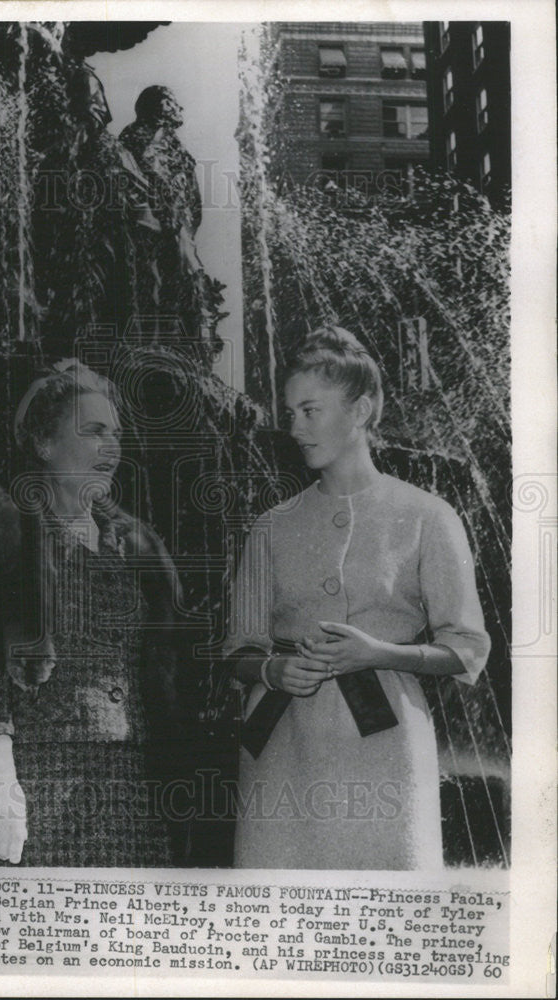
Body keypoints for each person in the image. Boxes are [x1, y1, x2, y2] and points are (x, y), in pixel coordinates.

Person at [223, 326, 491, 870]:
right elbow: (237, 652)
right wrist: (272, 671)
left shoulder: (428, 516)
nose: (294, 427)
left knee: (385, 905)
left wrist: (380, 654)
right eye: (290, 412)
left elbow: (467, 648)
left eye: (310, 410)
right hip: (281, 743)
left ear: (361, 409)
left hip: (385, 740)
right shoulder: (269, 528)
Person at [0, 360, 185, 867]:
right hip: (43, 786)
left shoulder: (135, 544)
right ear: (45, 443)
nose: (112, 446)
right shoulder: (5, 532)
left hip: (133, 783)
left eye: (117, 434)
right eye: (94, 431)